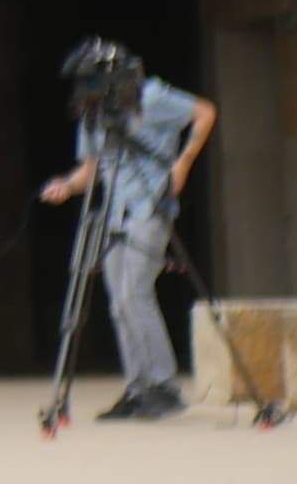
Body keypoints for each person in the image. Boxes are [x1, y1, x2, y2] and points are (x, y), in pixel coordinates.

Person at [38, 37, 216, 421]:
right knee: (119, 301)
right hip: (115, 213)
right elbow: (90, 171)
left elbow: (204, 112)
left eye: (91, 82)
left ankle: (164, 387)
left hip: (151, 206)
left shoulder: (153, 97)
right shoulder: (93, 115)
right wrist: (67, 187)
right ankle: (139, 389)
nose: (86, 91)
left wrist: (182, 163)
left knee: (136, 291)